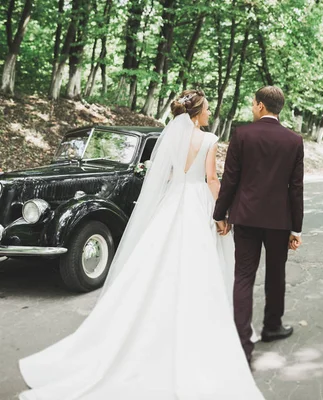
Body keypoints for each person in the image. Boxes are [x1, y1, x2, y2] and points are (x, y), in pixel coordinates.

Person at [18, 89, 265, 400]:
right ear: (197, 112)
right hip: (197, 203)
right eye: (206, 109)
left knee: (156, 265)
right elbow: (213, 180)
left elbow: (165, 176)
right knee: (198, 267)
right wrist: (222, 213)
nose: (209, 114)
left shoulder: (171, 139)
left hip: (172, 202)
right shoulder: (209, 140)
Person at [214, 86, 304, 365]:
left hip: (246, 217)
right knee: (276, 273)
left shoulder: (242, 134)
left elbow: (230, 180)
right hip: (279, 221)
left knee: (243, 276)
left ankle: (243, 345)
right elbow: (296, 188)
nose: (252, 107)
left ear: (262, 106)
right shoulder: (294, 140)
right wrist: (296, 229)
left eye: (253, 104)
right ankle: (272, 326)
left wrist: (220, 213)